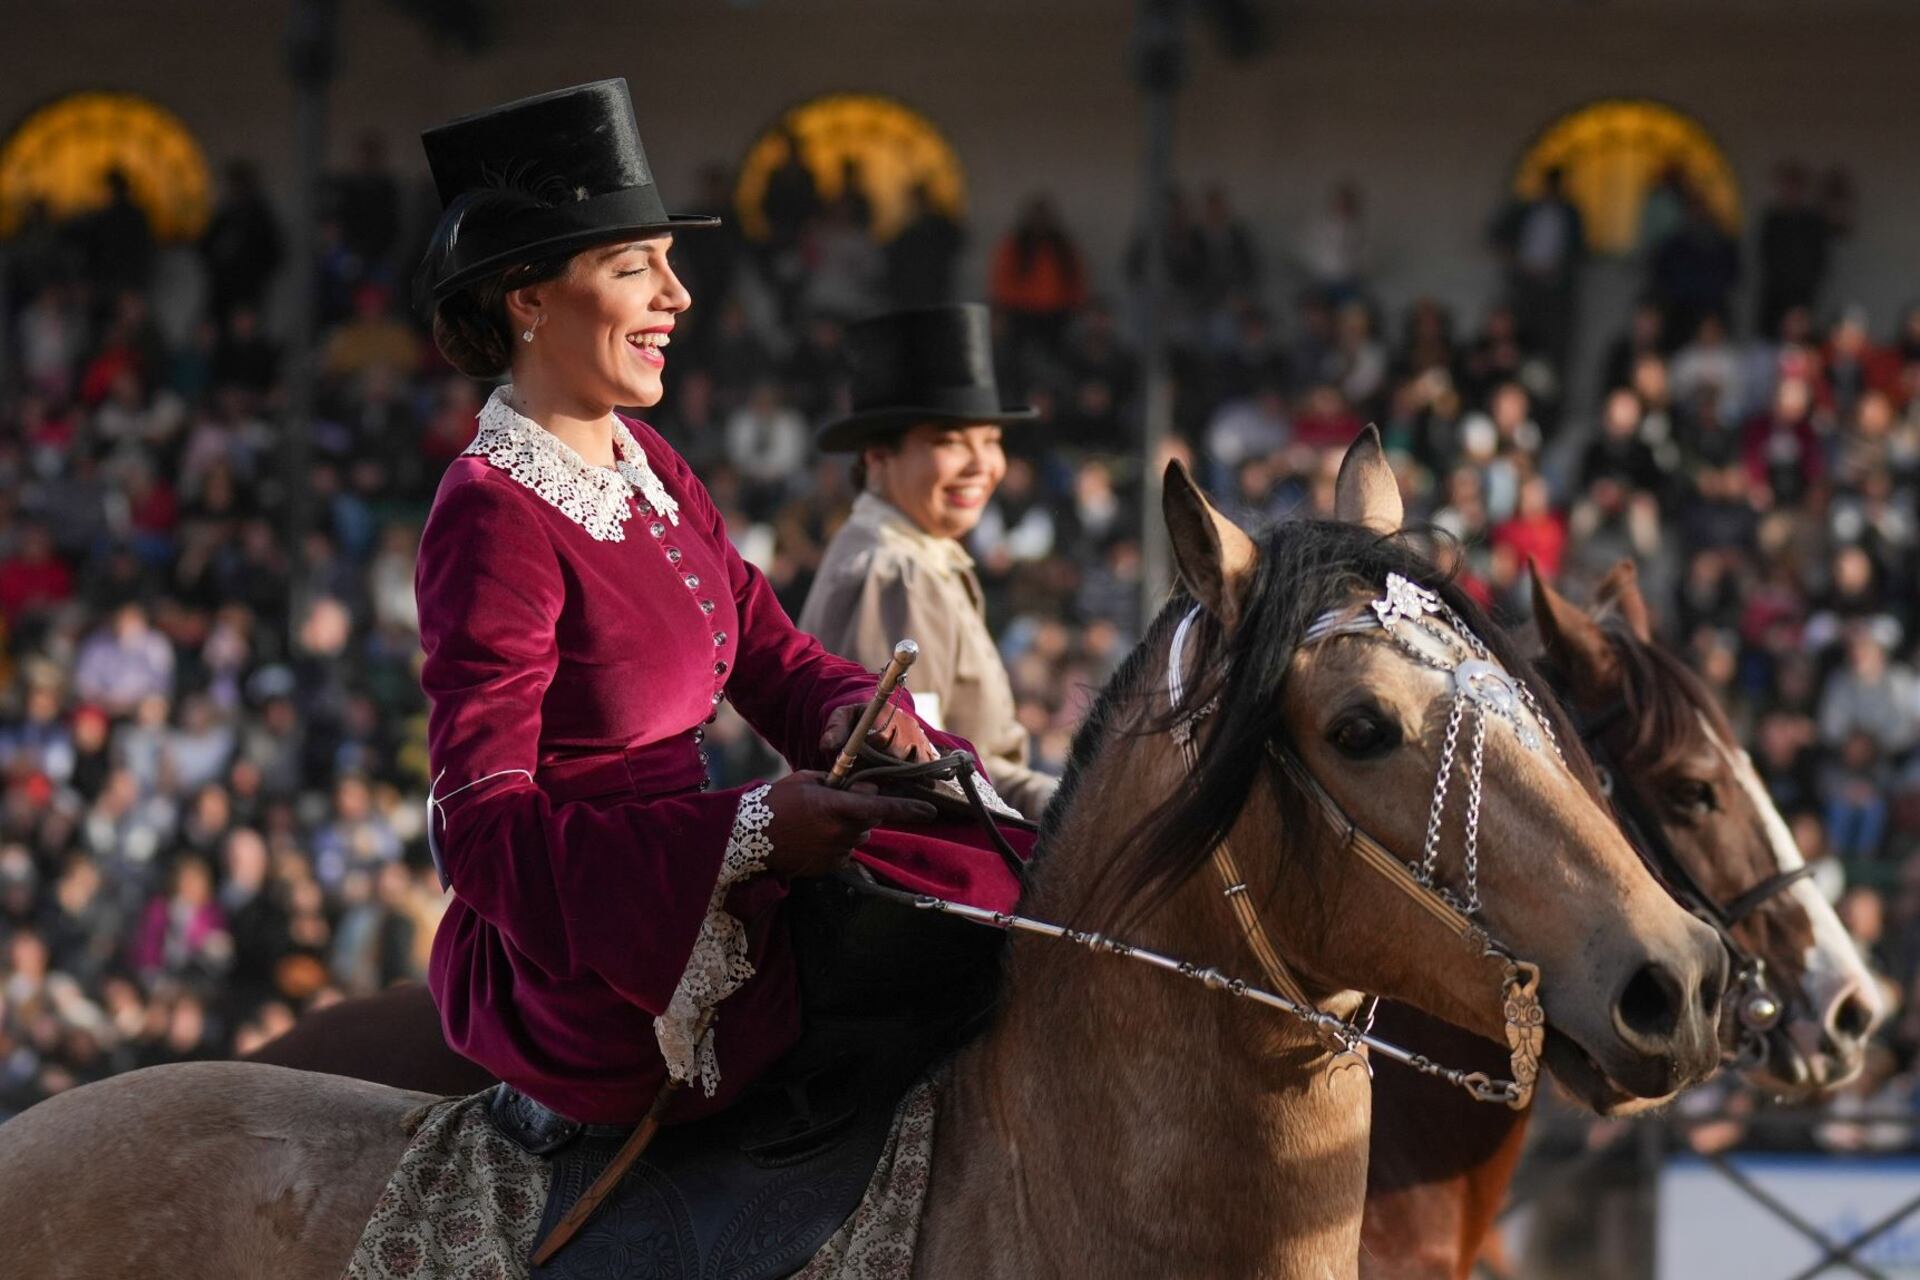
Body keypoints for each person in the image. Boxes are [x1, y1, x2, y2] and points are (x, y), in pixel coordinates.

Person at [410, 81, 1025, 1128]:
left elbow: (773, 654)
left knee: (1000, 881)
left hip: (704, 870)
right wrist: (742, 834)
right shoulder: (490, 512)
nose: (677, 295)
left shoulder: (647, 458)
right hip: (598, 953)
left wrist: (848, 713)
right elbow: (482, 837)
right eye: (633, 267)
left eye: (668, 261)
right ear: (529, 297)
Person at [798, 304, 1060, 820]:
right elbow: (915, 779)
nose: (981, 466)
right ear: (878, 456)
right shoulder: (897, 572)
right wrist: (1075, 807)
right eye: (947, 442)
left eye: (991, 441)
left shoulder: (914, 555)